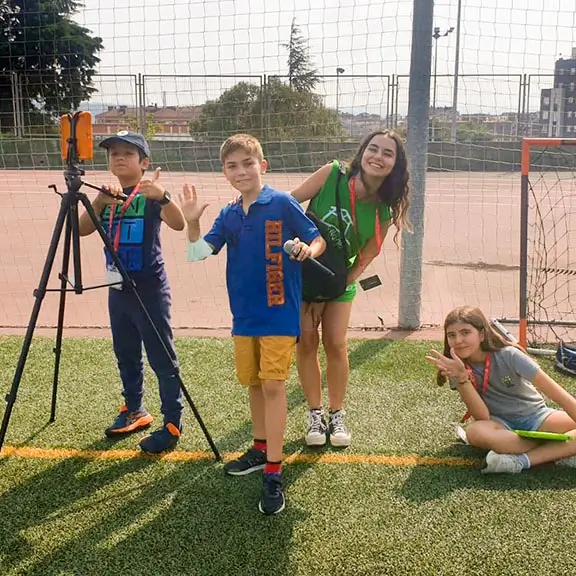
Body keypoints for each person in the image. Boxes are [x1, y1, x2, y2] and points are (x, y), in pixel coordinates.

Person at [181, 133, 325, 515]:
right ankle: (261, 448)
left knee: (275, 385)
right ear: (224, 172)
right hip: (243, 317)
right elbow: (198, 253)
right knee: (256, 384)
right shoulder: (228, 214)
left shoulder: (281, 202)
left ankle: (274, 473)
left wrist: (308, 250)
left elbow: (315, 239)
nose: (241, 171)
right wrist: (192, 224)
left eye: (248, 163)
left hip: (279, 313)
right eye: (232, 165)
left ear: (263, 166)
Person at [290, 130, 411, 448]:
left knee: (335, 343)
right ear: (362, 152)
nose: (378, 156)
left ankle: (337, 413)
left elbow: (368, 255)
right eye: (373, 148)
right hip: (303, 272)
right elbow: (290, 203)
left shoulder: (383, 211)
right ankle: (315, 414)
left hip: (338, 280)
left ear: (395, 165)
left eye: (387, 153)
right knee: (305, 341)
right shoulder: (332, 174)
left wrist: (333, 288)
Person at [78, 131, 187, 454]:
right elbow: (81, 229)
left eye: (128, 153)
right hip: (118, 290)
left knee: (161, 358)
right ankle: (135, 410)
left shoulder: (150, 194)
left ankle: (172, 423)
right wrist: (98, 202)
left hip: (149, 290)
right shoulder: (106, 195)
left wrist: (163, 196)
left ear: (144, 162)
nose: (120, 158)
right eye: (114, 153)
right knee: (126, 354)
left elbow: (179, 224)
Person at [425, 305, 576, 474]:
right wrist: (462, 379)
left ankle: (520, 461)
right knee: (474, 432)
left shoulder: (509, 355)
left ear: (482, 334)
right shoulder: (455, 367)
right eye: (451, 335)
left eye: (465, 332)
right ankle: (558, 450)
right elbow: (482, 416)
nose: (458, 340)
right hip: (500, 424)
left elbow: (556, 393)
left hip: (537, 417)